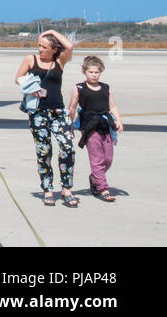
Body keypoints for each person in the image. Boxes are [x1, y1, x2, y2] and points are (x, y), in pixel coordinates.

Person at [14, 30, 78, 207]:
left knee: (67, 148)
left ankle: (66, 188)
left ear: (54, 49)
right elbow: (17, 78)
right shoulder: (31, 59)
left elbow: (70, 46)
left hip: (58, 112)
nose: (40, 49)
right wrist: (31, 88)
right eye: (39, 46)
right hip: (38, 113)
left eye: (44, 47)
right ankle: (48, 189)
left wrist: (51, 32)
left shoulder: (60, 60)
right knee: (44, 152)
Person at [68, 55, 123, 203]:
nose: (93, 75)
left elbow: (112, 106)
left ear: (101, 72)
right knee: (97, 159)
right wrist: (70, 125)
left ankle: (95, 177)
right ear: (84, 72)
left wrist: (119, 120)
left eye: (96, 72)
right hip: (89, 128)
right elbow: (72, 107)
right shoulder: (79, 88)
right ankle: (103, 188)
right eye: (91, 72)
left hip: (105, 126)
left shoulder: (106, 88)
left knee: (108, 159)